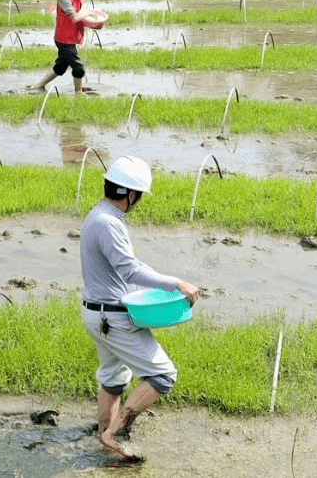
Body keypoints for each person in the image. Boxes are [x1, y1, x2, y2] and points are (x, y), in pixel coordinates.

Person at [80, 155, 199, 461]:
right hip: (114, 316)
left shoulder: (98, 216)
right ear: (130, 195)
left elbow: (128, 266)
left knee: (113, 377)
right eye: (140, 197)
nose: (139, 202)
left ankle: (103, 432)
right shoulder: (108, 224)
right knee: (163, 375)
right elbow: (131, 272)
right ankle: (113, 432)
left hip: (97, 313)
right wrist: (177, 284)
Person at [32, 0, 90, 94]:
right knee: (78, 67)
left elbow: (81, 18)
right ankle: (78, 93)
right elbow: (75, 17)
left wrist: (94, 22)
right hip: (64, 39)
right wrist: (89, 13)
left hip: (70, 36)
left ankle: (38, 86)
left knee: (61, 67)